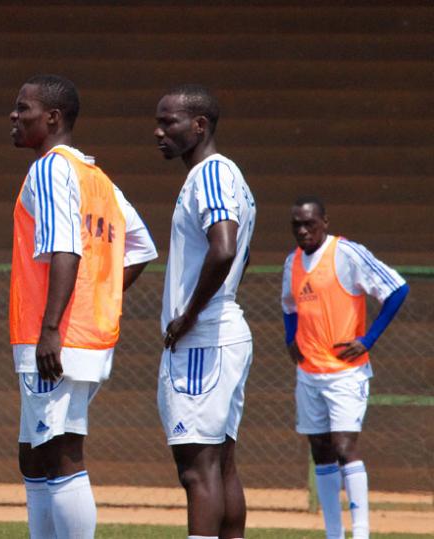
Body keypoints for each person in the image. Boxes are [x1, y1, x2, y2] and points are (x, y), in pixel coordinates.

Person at [9, 74, 157, 538]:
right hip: (81, 333)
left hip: (56, 336)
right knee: (34, 451)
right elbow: (141, 248)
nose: (14, 117)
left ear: (52, 118)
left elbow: (65, 248)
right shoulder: (97, 178)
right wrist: (100, 298)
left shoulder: (52, 169)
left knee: (61, 450)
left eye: (24, 109)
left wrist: (52, 327)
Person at [153, 84, 256, 539]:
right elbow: (241, 257)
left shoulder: (211, 174)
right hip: (221, 330)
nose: (159, 131)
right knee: (220, 464)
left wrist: (191, 315)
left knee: (196, 469)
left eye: (168, 121)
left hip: (204, 337)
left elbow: (225, 249)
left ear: (199, 125)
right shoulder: (230, 178)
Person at [282, 196, 409, 539]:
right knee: (320, 450)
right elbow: (289, 305)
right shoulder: (291, 262)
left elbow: (397, 289)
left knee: (343, 447)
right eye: (297, 224)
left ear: (325, 221)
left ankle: (362, 533)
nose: (303, 230)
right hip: (309, 373)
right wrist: (290, 338)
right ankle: (334, 533)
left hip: (345, 372)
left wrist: (367, 340)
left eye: (310, 222)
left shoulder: (347, 253)